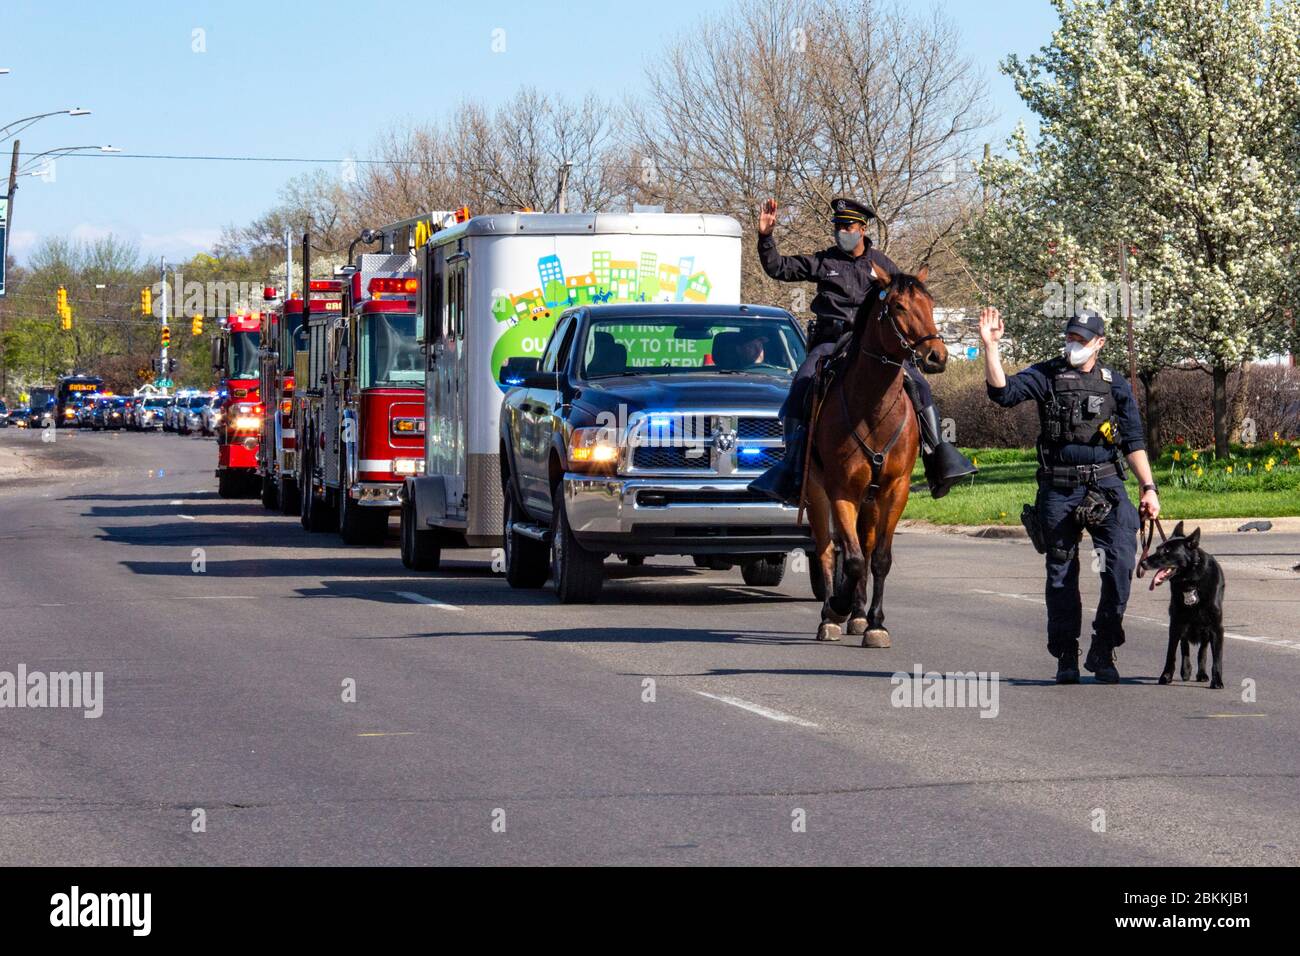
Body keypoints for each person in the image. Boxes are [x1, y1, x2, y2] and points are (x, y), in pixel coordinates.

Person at [747, 196, 976, 504]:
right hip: (832, 342)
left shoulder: (882, 265)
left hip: (874, 345)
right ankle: (791, 467)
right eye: (839, 226)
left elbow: (907, 296)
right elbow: (778, 268)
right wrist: (766, 237)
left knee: (918, 385)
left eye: (849, 226)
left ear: (863, 229)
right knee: (801, 385)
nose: (843, 231)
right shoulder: (823, 261)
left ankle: (938, 458)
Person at [979, 306, 1161, 684]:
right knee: (1061, 573)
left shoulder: (1114, 383)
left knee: (1119, 565)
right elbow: (1003, 393)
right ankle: (1066, 653)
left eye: (1080, 339)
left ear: (1099, 343)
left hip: (1106, 485)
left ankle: (1103, 646)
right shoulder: (1048, 374)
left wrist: (1148, 488)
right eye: (1069, 337)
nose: (1072, 344)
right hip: (1059, 487)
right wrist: (990, 348)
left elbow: (1133, 440)